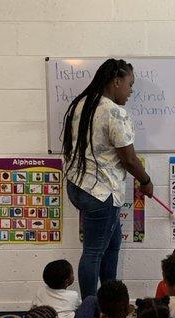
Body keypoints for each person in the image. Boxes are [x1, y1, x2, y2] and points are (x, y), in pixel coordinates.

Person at [62, 58, 153, 298]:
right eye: (129, 84)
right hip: (100, 192)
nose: (131, 91)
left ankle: (110, 300)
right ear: (116, 81)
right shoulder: (115, 112)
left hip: (77, 186)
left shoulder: (81, 104)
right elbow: (129, 159)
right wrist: (145, 181)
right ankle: (91, 310)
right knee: (93, 252)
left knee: (112, 245)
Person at [32, 259, 99, 318]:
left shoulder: (40, 292)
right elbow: (81, 311)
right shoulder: (72, 296)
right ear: (67, 281)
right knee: (91, 300)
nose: (73, 275)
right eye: (72, 274)